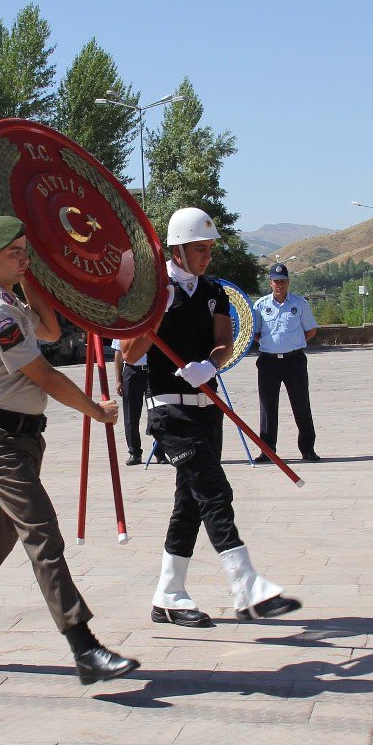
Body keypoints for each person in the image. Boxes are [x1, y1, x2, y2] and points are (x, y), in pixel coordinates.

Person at [0, 216, 139, 685]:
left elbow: (47, 329)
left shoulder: (10, 299)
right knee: (42, 530)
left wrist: (31, 278)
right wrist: (93, 409)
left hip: (23, 437)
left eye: (25, 250)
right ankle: (84, 647)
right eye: (14, 253)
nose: (24, 257)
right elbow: (43, 373)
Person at [122, 207, 302, 627]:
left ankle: (168, 594)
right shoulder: (152, 291)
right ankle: (246, 585)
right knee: (214, 489)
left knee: (190, 502)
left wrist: (211, 365)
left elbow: (223, 342)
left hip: (206, 407)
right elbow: (130, 354)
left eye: (209, 249)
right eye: (199, 249)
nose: (207, 256)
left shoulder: (214, 292)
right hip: (168, 408)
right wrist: (151, 314)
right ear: (177, 249)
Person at [252, 263, 321, 463]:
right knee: (267, 407)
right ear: (270, 283)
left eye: (283, 281)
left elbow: (311, 330)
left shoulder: (300, 304)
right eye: (276, 281)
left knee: (301, 404)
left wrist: (294, 343)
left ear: (288, 282)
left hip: (294, 361)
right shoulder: (261, 306)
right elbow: (255, 333)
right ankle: (267, 451)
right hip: (268, 362)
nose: (279, 285)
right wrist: (270, 343)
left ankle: (308, 449)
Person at [112, 339, 167, 466]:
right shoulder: (124, 327)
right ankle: (134, 452)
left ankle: (159, 450)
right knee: (131, 415)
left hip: (153, 371)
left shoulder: (152, 322)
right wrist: (118, 380)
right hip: (132, 371)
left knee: (157, 412)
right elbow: (118, 353)